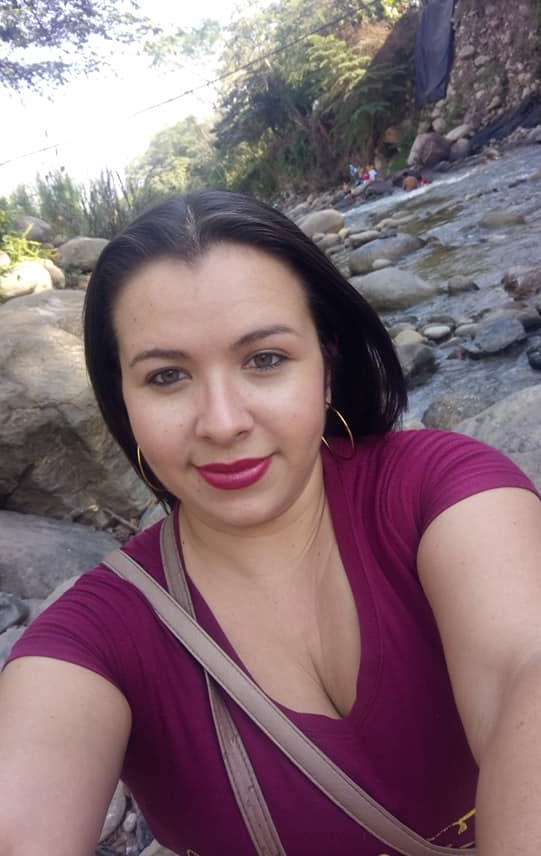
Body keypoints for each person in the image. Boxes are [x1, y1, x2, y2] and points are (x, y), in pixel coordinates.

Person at [1, 189, 541, 856]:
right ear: (124, 402)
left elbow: (523, 666)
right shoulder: (97, 637)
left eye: (265, 359)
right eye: (167, 376)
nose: (223, 422)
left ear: (326, 367)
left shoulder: (438, 491)